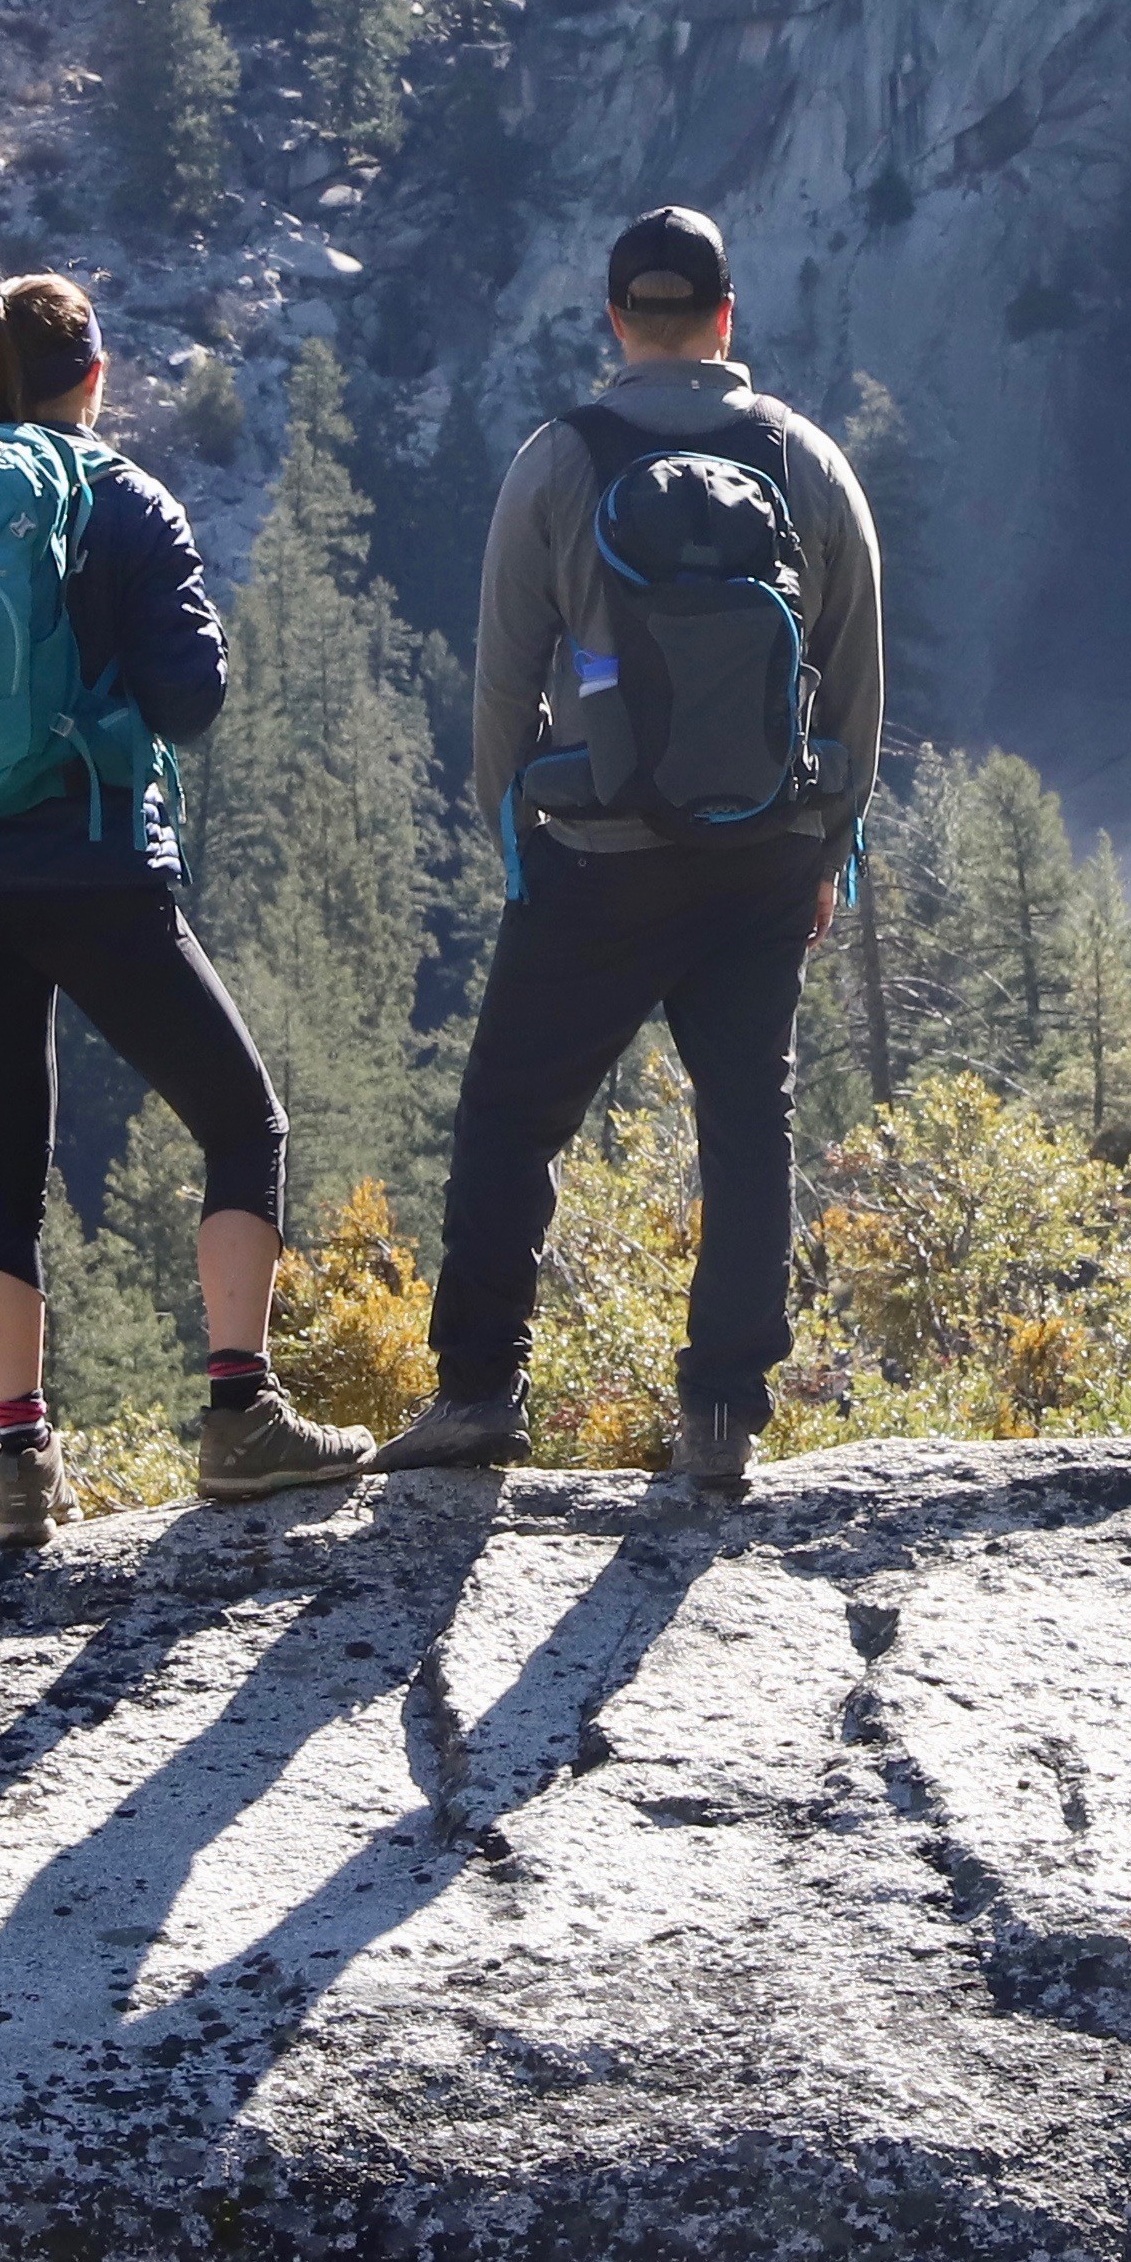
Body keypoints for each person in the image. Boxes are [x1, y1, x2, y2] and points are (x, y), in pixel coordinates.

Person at [0, 273, 371, 1535]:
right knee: (246, 1122)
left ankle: (21, 1462)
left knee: (6, 1157)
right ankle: (240, 1415)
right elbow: (193, 697)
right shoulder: (119, 497)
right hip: (92, 864)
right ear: (95, 373)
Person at [377, 204, 885, 1502]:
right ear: (726, 318)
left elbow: (504, 678)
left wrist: (515, 841)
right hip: (762, 854)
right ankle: (722, 1415)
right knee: (746, 1122)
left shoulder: (561, 461)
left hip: (596, 855)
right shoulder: (806, 462)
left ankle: (481, 1392)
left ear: (617, 323)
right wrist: (828, 843)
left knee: (510, 1117)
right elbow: (856, 679)